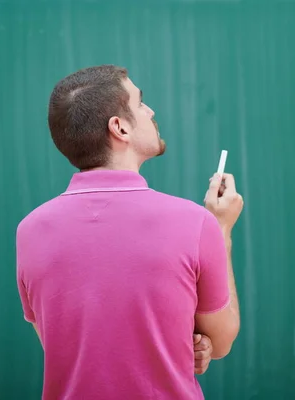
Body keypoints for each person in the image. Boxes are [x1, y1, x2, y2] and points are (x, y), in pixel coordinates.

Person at [15, 65, 243, 400]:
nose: (150, 111)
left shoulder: (30, 230)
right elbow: (221, 342)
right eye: (140, 103)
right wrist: (222, 228)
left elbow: (65, 342)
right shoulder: (195, 223)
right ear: (119, 128)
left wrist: (179, 341)